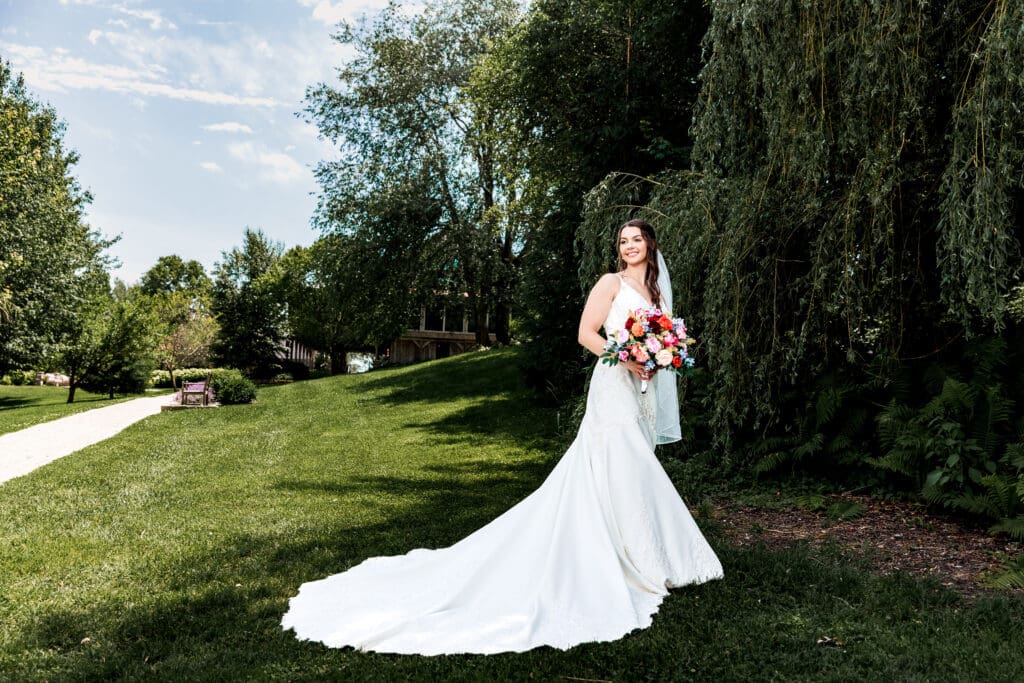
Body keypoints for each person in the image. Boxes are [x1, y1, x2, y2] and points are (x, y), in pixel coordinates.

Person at [281, 219, 724, 655]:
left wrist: (655, 357)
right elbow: (586, 334)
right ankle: (637, 560)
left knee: (632, 465)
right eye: (623, 240)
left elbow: (658, 339)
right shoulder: (610, 283)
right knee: (623, 460)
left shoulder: (656, 292)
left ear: (650, 244)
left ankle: (642, 550)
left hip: (640, 388)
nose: (629, 246)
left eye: (637, 239)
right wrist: (627, 359)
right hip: (613, 387)